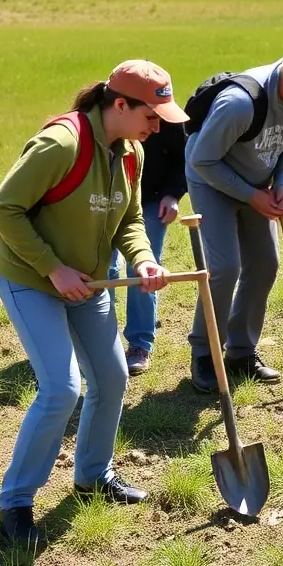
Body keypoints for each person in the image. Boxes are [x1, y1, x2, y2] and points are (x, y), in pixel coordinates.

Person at [0, 60, 185, 544]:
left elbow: (130, 222)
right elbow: (3, 209)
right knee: (61, 388)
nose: (157, 127)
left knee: (113, 376)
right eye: (152, 116)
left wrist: (142, 262)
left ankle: (93, 475)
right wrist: (53, 267)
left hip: (90, 285)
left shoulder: (131, 153)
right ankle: (16, 503)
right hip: (32, 279)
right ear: (120, 104)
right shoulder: (62, 143)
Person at [185, 44, 283, 393]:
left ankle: (241, 352)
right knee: (224, 267)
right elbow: (202, 161)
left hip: (258, 181)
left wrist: (282, 183)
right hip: (211, 178)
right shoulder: (240, 104)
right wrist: (252, 196)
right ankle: (205, 354)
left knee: (266, 264)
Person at [108, 118, 187, 375]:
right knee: (103, 269)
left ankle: (140, 344)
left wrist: (172, 194)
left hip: (151, 202)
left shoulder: (171, 120)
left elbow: (184, 157)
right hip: (104, 202)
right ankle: (101, 341)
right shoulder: (108, 118)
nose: (153, 126)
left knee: (144, 270)